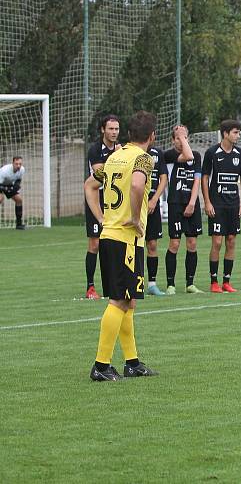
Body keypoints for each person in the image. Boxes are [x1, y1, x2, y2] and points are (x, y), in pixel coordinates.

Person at [84, 110, 159, 381]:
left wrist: (103, 218)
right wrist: (135, 218)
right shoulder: (143, 158)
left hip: (111, 236)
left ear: (128, 134)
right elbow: (138, 186)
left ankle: (132, 362)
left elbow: (89, 186)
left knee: (128, 301)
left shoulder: (114, 157)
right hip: (126, 239)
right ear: (152, 136)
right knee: (118, 300)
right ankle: (101, 366)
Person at [202, 119, 241, 293]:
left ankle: (226, 281)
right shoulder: (212, 153)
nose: (238, 136)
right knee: (217, 241)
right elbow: (205, 177)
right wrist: (207, 201)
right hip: (217, 204)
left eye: (238, 133)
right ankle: (214, 281)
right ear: (225, 134)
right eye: (235, 132)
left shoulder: (240, 154)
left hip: (233, 205)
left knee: (231, 241)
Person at [163, 125, 204, 294]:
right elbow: (186, 155)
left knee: (192, 243)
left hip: (192, 204)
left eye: (185, 137)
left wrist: (192, 202)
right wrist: (181, 136)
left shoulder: (197, 156)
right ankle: (170, 284)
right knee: (174, 243)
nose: (182, 140)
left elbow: (197, 180)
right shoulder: (170, 155)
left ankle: (190, 284)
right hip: (175, 204)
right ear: (173, 140)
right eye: (178, 137)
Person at [84, 115, 121, 299]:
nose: (114, 132)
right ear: (102, 130)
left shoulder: (121, 148)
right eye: (111, 129)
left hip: (114, 203)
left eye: (116, 129)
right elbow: (102, 172)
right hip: (96, 202)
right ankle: (90, 287)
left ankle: (111, 286)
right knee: (95, 243)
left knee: (111, 245)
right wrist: (119, 157)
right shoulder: (95, 150)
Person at [144, 142, 169, 295]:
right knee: (133, 246)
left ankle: (152, 284)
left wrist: (154, 200)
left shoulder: (157, 153)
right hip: (134, 207)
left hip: (152, 206)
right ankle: (134, 282)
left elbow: (163, 178)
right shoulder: (130, 152)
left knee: (152, 244)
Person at [0, 156, 26, 229]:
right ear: (13, 163)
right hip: (0, 184)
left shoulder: (22, 170)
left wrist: (16, 186)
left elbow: (18, 180)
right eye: (16, 164)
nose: (18, 166)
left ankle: (19, 224)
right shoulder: (4, 171)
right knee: (0, 199)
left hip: (9, 185)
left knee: (19, 200)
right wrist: (5, 189)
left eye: (20, 164)